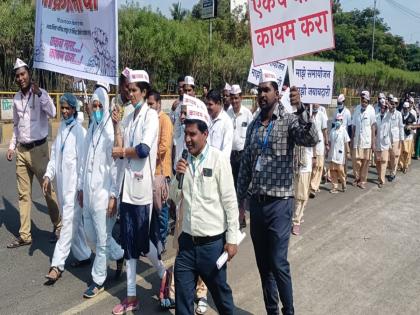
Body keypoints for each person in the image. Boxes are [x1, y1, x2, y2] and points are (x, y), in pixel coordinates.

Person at [237, 70, 319, 315]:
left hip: (281, 204)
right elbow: (245, 168)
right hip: (258, 206)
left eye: (266, 90)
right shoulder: (253, 125)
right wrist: (240, 202)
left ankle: (289, 310)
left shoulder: (289, 121)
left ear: (277, 92)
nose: (261, 94)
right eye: (259, 90)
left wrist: (301, 108)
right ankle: (272, 310)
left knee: (278, 263)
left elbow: (312, 138)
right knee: (263, 266)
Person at [171, 95, 239, 315]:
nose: (188, 139)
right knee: (182, 299)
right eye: (187, 134)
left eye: (193, 134)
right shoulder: (184, 161)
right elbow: (174, 197)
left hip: (212, 246)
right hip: (187, 245)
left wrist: (232, 240)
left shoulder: (218, 160)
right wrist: (177, 175)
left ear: (205, 134)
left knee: (222, 299)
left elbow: (230, 202)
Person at [110, 69, 165, 315]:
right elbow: (120, 145)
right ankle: (132, 296)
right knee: (130, 243)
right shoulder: (130, 116)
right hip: (127, 189)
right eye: (128, 90)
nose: (130, 93)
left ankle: (164, 273)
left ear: (144, 92)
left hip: (141, 189)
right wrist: (116, 124)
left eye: (134, 90)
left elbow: (142, 149)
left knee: (143, 243)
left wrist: (122, 152)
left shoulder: (151, 117)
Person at [6, 58, 61, 248]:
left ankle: (58, 225)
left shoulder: (41, 94)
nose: (21, 78)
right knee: (23, 195)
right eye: (18, 75)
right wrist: (12, 147)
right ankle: (25, 235)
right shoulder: (16, 98)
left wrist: (40, 95)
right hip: (22, 150)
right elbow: (15, 125)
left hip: (39, 149)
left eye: (23, 74)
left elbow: (53, 113)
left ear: (29, 74)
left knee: (47, 190)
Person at [77, 92, 124, 298]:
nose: (96, 110)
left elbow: (116, 167)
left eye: (99, 106)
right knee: (90, 234)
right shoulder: (91, 130)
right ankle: (120, 254)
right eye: (93, 106)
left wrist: (113, 195)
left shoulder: (110, 132)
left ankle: (98, 280)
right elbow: (83, 162)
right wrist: (80, 188)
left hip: (104, 195)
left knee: (102, 240)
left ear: (105, 106)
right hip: (88, 193)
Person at [42, 93, 92, 285]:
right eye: (61, 108)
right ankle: (85, 254)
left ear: (74, 109)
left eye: (67, 108)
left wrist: (80, 189)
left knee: (67, 226)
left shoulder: (80, 133)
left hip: (75, 191)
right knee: (75, 225)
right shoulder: (62, 128)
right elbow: (55, 156)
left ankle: (57, 265)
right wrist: (48, 175)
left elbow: (82, 165)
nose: (64, 111)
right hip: (63, 189)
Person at [147, 90, 173, 248]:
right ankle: (154, 241)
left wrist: (146, 154)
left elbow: (163, 146)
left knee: (161, 210)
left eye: (152, 104)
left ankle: (161, 242)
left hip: (161, 172)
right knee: (152, 211)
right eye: (147, 104)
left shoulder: (164, 120)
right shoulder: (149, 119)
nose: (149, 107)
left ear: (159, 104)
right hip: (150, 171)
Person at [227, 84, 253, 228]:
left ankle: (241, 216)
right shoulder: (227, 113)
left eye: (236, 98)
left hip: (243, 155)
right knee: (231, 187)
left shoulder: (247, 113)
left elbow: (250, 136)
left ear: (241, 98)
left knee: (241, 187)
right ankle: (232, 216)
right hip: (230, 156)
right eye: (232, 98)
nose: (234, 101)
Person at [351, 91, 376, 189]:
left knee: (365, 162)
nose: (364, 102)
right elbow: (353, 125)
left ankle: (362, 180)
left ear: (368, 101)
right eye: (362, 100)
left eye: (366, 101)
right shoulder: (357, 109)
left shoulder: (371, 110)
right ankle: (357, 178)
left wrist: (373, 142)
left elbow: (373, 126)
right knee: (356, 161)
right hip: (357, 140)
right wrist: (352, 138)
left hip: (366, 141)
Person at [291, 145, 313, 236]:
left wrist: (315, 157)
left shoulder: (311, 133)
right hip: (297, 168)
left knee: (303, 196)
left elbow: (314, 143)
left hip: (307, 167)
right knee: (299, 196)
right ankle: (297, 220)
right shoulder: (297, 133)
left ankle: (298, 218)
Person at [206, 89, 234, 158]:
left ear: (218, 103)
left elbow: (226, 151)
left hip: (218, 165)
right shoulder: (206, 118)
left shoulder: (226, 122)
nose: (207, 107)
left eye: (210, 104)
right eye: (207, 104)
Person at [309, 103, 328, 198]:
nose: (315, 104)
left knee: (319, 166)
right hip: (310, 144)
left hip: (320, 143)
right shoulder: (308, 114)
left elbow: (325, 130)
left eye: (317, 103)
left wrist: (327, 143)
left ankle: (313, 187)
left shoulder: (322, 115)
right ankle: (311, 185)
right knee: (313, 166)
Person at [328, 113, 350, 193]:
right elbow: (330, 141)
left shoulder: (343, 130)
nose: (338, 121)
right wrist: (328, 150)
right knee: (332, 170)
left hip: (340, 154)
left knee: (340, 170)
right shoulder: (332, 130)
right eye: (336, 120)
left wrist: (347, 152)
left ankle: (343, 182)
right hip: (332, 154)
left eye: (339, 120)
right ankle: (335, 187)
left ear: (342, 121)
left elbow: (346, 142)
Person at [374, 101, 391, 188]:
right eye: (382, 107)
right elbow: (374, 129)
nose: (383, 109)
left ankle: (382, 180)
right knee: (377, 161)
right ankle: (380, 175)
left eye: (385, 107)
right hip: (377, 143)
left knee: (384, 162)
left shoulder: (388, 116)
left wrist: (387, 102)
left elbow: (391, 109)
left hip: (385, 143)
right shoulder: (376, 116)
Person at [387, 99, 404, 182]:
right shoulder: (387, 113)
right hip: (387, 138)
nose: (393, 105)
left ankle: (393, 173)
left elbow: (401, 127)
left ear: (397, 105)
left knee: (395, 156)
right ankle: (391, 171)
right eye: (392, 103)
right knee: (389, 157)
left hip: (396, 138)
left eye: (395, 104)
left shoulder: (399, 114)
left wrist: (401, 139)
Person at [399, 102, 416, 173]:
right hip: (402, 137)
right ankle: (401, 165)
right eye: (404, 108)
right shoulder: (400, 115)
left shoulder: (412, 116)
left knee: (407, 152)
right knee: (401, 152)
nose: (405, 109)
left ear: (409, 108)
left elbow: (415, 126)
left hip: (409, 137)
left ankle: (405, 165)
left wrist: (410, 127)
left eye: (406, 108)